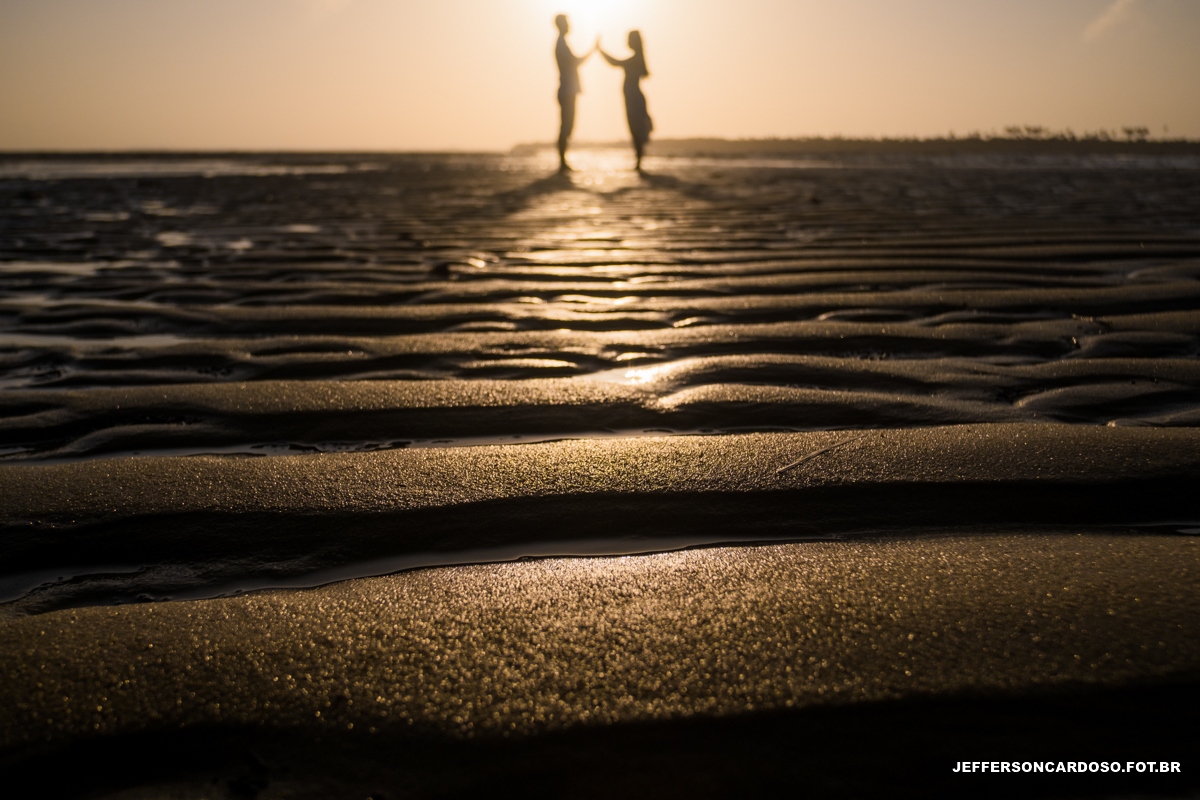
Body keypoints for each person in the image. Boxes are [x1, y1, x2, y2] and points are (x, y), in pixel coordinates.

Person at [599, 30, 653, 171]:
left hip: (634, 99)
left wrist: (600, 50)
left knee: (636, 130)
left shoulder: (635, 59)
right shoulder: (638, 58)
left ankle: (639, 162)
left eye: (629, 39)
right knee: (636, 130)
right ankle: (638, 161)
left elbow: (615, 62)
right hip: (632, 98)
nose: (627, 42)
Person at [554, 15, 594, 172]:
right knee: (566, 126)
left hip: (568, 90)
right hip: (567, 91)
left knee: (567, 126)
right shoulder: (561, 44)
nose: (569, 26)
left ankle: (563, 161)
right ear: (561, 25)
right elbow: (576, 61)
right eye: (566, 23)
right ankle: (562, 162)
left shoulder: (562, 43)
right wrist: (593, 50)